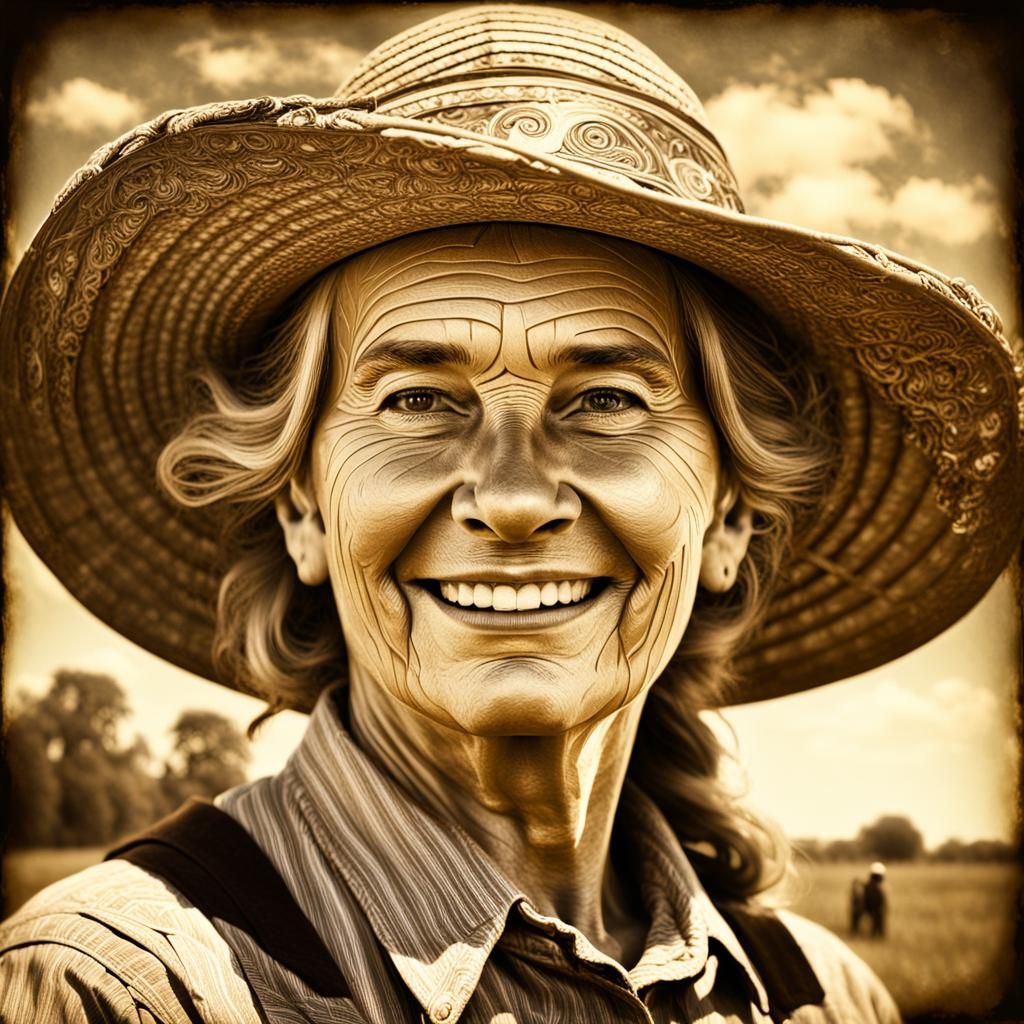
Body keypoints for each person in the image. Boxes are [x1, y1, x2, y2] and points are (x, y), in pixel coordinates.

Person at [0, 5, 1020, 1023]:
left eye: (606, 401)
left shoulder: (826, 998)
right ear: (303, 506)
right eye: (417, 401)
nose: (515, 495)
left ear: (730, 519)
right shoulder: (128, 988)